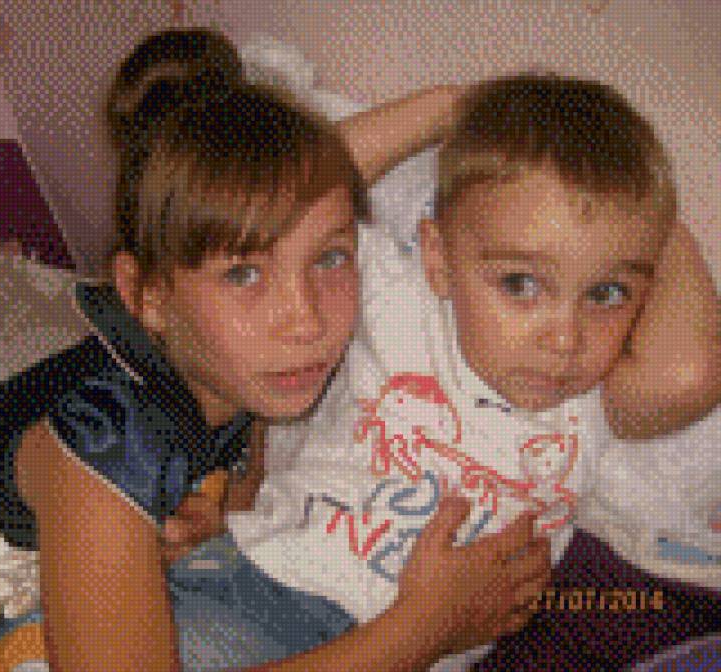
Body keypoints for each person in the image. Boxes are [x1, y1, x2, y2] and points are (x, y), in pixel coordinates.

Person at [0, 29, 543, 672]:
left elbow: (324, 182)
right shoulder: (104, 439)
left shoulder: (240, 357)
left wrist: (463, 108)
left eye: (329, 258)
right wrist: (420, 629)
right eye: (244, 273)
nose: (306, 321)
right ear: (146, 295)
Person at [220, 72, 721, 670]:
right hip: (264, 590)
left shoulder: (590, 401)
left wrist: (649, 212)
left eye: (606, 293)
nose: (564, 340)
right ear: (438, 257)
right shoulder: (405, 302)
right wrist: (453, 107)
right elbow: (286, 204)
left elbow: (691, 374)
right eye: (520, 283)